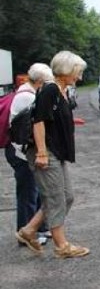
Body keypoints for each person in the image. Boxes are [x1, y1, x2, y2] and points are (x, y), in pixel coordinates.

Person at [24, 51, 89, 258]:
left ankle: (29, 230)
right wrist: (42, 153)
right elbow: (39, 121)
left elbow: (54, 118)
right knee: (56, 198)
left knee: (66, 196)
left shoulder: (61, 91)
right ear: (66, 70)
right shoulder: (50, 89)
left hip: (57, 152)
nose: (79, 77)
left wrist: (71, 121)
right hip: (46, 152)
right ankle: (61, 247)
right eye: (77, 72)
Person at [8, 63, 54, 251]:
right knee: (28, 194)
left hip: (20, 150)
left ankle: (40, 228)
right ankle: (25, 233)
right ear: (41, 81)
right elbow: (34, 126)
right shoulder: (28, 96)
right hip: (21, 153)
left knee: (37, 191)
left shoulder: (27, 92)